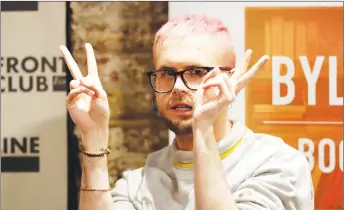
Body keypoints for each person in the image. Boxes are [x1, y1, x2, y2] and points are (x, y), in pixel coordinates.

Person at [59, 14, 314, 210]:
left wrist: (203, 129)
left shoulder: (276, 164)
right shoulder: (141, 181)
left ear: (230, 78)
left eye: (197, 72)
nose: (178, 87)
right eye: (167, 73)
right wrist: (94, 137)